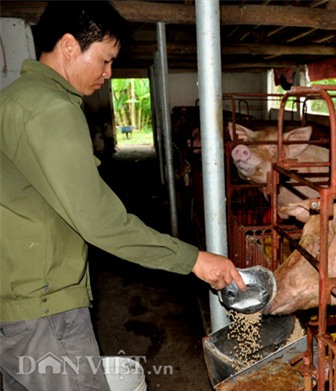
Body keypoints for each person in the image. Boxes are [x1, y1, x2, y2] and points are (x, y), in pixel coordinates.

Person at [0, 2, 245, 390]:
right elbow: (99, 221)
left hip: (18, 305)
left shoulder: (13, 98)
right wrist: (193, 259)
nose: (108, 73)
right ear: (68, 46)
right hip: (45, 310)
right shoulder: (51, 109)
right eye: (105, 59)